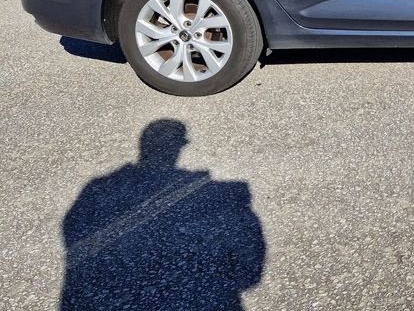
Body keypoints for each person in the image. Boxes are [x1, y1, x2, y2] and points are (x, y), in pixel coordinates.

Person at [61, 120, 265, 310]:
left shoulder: (100, 190)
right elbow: (248, 268)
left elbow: (74, 233)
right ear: (178, 148)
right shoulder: (214, 196)